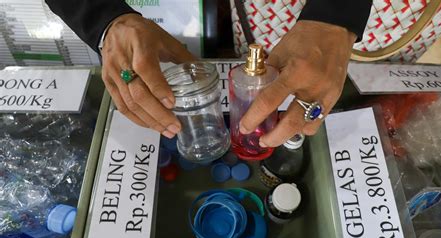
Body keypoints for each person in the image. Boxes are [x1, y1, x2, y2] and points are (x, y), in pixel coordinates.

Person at [45, 0, 371, 146]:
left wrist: (337, 13)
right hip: (263, 9)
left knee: (346, 84)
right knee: (269, 69)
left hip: (373, 18)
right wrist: (105, 20)